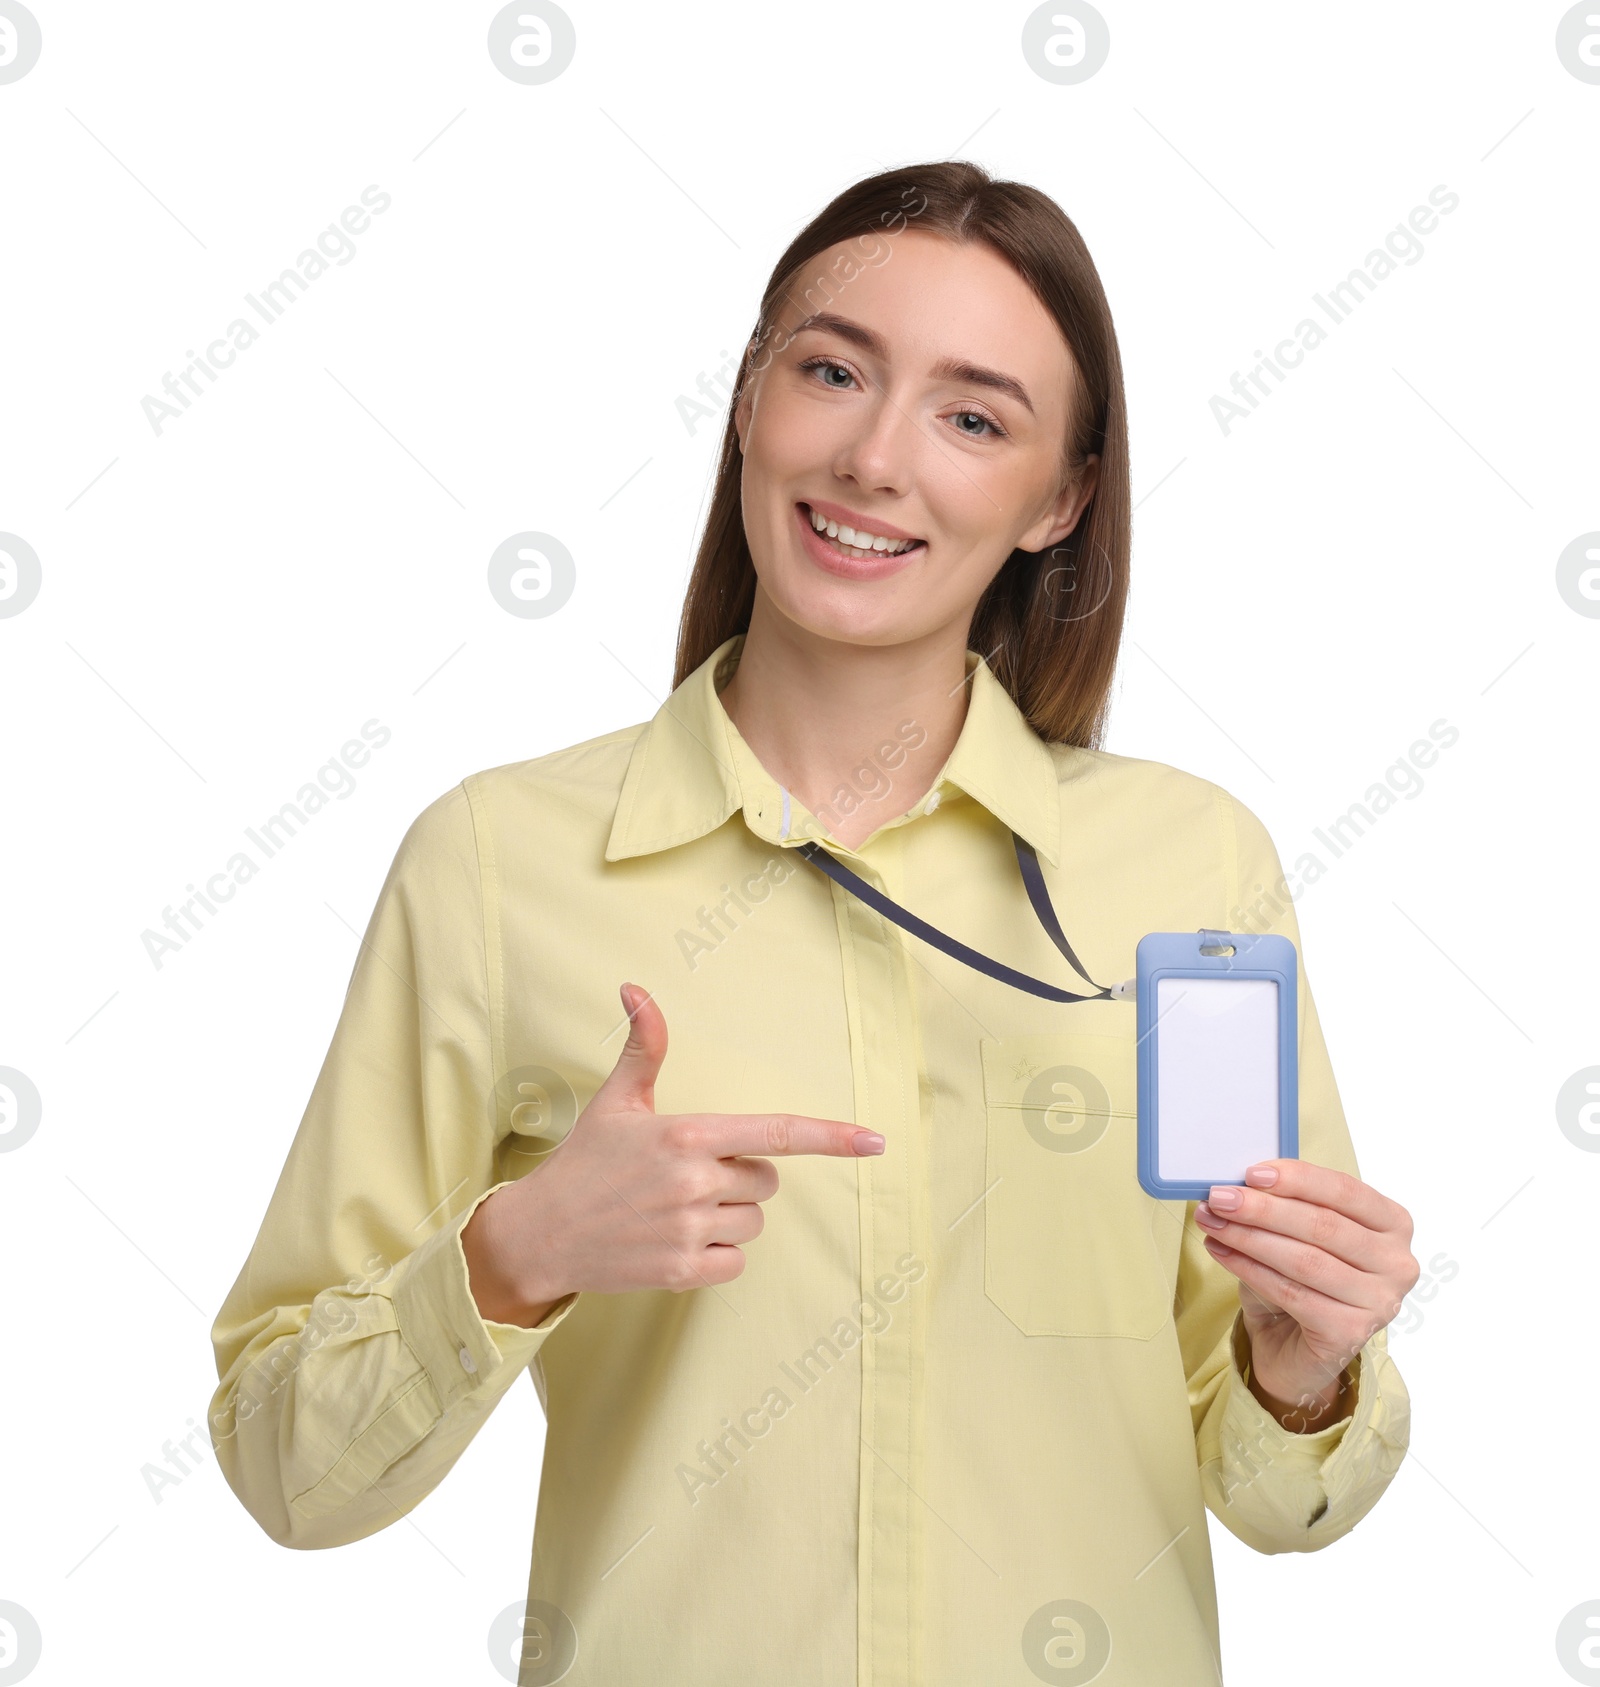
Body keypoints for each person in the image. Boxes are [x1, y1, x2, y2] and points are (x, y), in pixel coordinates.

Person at [210, 160, 1416, 1685]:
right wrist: (515, 1254)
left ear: (1060, 500)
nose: (872, 459)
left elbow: (1282, 1501)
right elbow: (283, 1467)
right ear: (749, 402)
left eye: (972, 417)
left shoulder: (1185, 872)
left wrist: (1302, 1374)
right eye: (833, 373)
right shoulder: (499, 865)